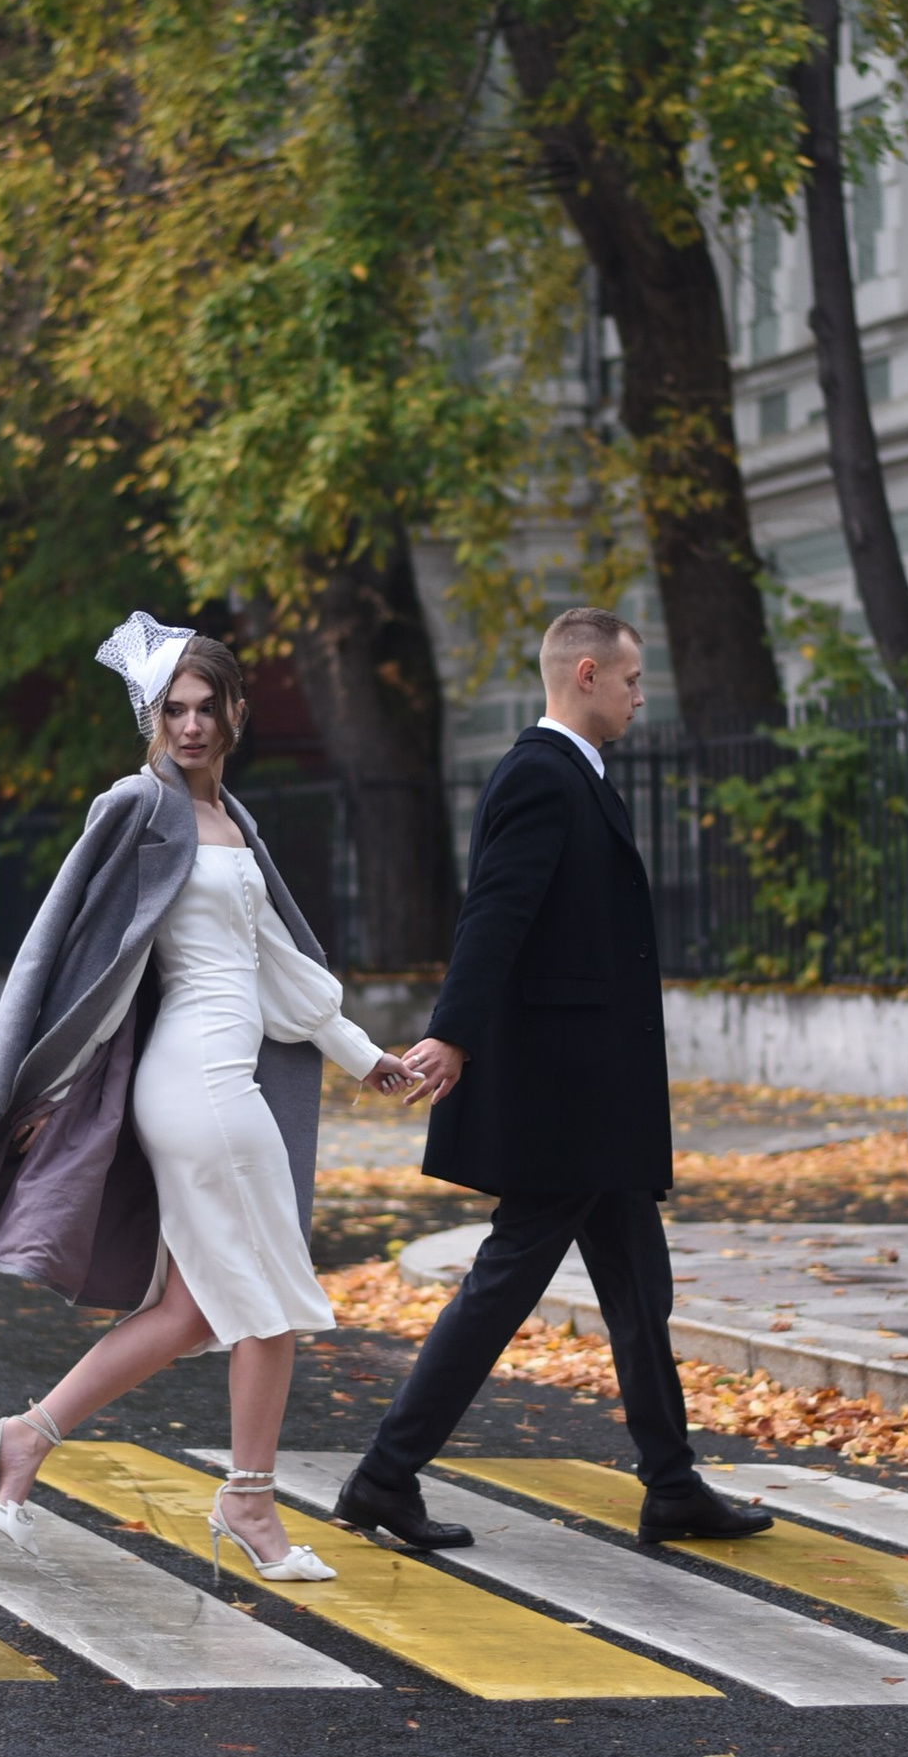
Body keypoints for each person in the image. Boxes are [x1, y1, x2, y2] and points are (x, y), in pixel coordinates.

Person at [0, 613, 423, 1579]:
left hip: (218, 1074)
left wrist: (359, 1052)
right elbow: (75, 950)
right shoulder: (139, 807)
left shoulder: (232, 822)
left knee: (192, 1311)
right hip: (202, 1083)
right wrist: (40, 1084)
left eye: (204, 708)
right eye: (172, 709)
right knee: (266, 1306)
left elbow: (274, 967)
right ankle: (249, 1504)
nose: (188, 726)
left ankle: (24, 1439)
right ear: (153, 717)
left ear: (235, 715)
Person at [332, 605, 775, 1559]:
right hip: (566, 1096)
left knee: (637, 1288)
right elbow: (497, 912)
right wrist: (452, 1033)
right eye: (628, 679)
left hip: (594, 1097)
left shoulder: (576, 775)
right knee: (503, 1285)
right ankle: (384, 1474)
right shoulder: (543, 775)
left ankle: (671, 1483)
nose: (639, 695)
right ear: (583, 675)